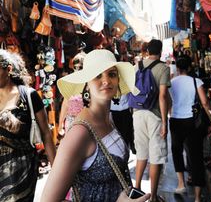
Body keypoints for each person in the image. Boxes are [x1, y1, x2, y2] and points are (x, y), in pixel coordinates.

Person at [41, 49, 150, 202]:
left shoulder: (108, 118)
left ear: (118, 80)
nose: (106, 81)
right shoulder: (80, 133)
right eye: (97, 75)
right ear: (87, 85)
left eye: (111, 74)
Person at [0, 49, 56, 201]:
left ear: (8, 69)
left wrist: (57, 173)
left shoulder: (28, 96)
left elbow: (46, 134)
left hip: (22, 172)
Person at [169, 55, 211, 202]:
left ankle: (181, 183)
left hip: (175, 120)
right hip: (192, 122)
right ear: (189, 67)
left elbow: (167, 101)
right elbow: (205, 102)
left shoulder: (171, 82)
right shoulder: (196, 81)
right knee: (196, 157)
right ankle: (198, 197)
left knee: (177, 151)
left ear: (178, 68)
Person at [132, 39, 171, 202]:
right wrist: (164, 121)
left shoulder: (136, 67)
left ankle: (138, 189)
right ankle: (153, 197)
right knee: (156, 156)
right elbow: (162, 96)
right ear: (160, 51)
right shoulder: (163, 68)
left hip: (137, 113)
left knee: (141, 153)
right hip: (154, 114)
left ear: (147, 51)